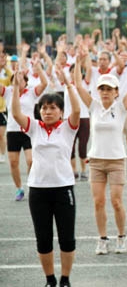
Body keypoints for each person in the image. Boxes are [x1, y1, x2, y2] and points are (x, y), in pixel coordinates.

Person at [11, 69, 80, 287]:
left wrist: (68, 84)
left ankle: (65, 279)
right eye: (44, 108)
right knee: (43, 238)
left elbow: (77, 109)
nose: (47, 112)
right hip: (38, 190)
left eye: (53, 108)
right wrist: (15, 88)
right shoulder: (34, 127)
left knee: (67, 238)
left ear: (61, 112)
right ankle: (50, 280)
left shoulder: (68, 127)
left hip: (63, 188)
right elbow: (15, 114)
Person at [74, 50, 127, 255]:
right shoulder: (93, 106)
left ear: (116, 92)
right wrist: (77, 64)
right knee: (98, 201)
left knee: (116, 201)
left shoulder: (120, 108)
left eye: (109, 89)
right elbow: (78, 86)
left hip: (116, 160)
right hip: (96, 161)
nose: (105, 92)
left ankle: (121, 237)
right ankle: (102, 239)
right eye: (102, 89)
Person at [0, 61, 48, 200]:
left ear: (26, 81)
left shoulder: (32, 92)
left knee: (31, 161)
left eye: (21, 75)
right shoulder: (8, 91)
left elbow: (44, 83)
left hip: (28, 129)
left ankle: (30, 184)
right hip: (13, 130)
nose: (18, 76)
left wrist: (38, 68)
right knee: (13, 162)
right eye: (16, 75)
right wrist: (6, 69)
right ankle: (19, 188)